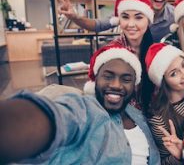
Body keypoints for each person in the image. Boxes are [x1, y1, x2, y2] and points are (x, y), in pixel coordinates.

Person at [0, 44, 160, 164]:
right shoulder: (86, 109)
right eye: (108, 76)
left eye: (126, 79)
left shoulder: (140, 117)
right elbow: (57, 117)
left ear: (135, 86)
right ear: (95, 79)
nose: (116, 85)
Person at [84, 0, 154, 113]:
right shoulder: (111, 53)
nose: (131, 24)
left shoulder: (153, 49)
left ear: (148, 21)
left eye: (138, 18)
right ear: (119, 21)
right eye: (125, 17)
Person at [145, 43, 184, 164]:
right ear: (163, 81)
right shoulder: (159, 119)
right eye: (174, 73)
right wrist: (179, 155)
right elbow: (161, 161)